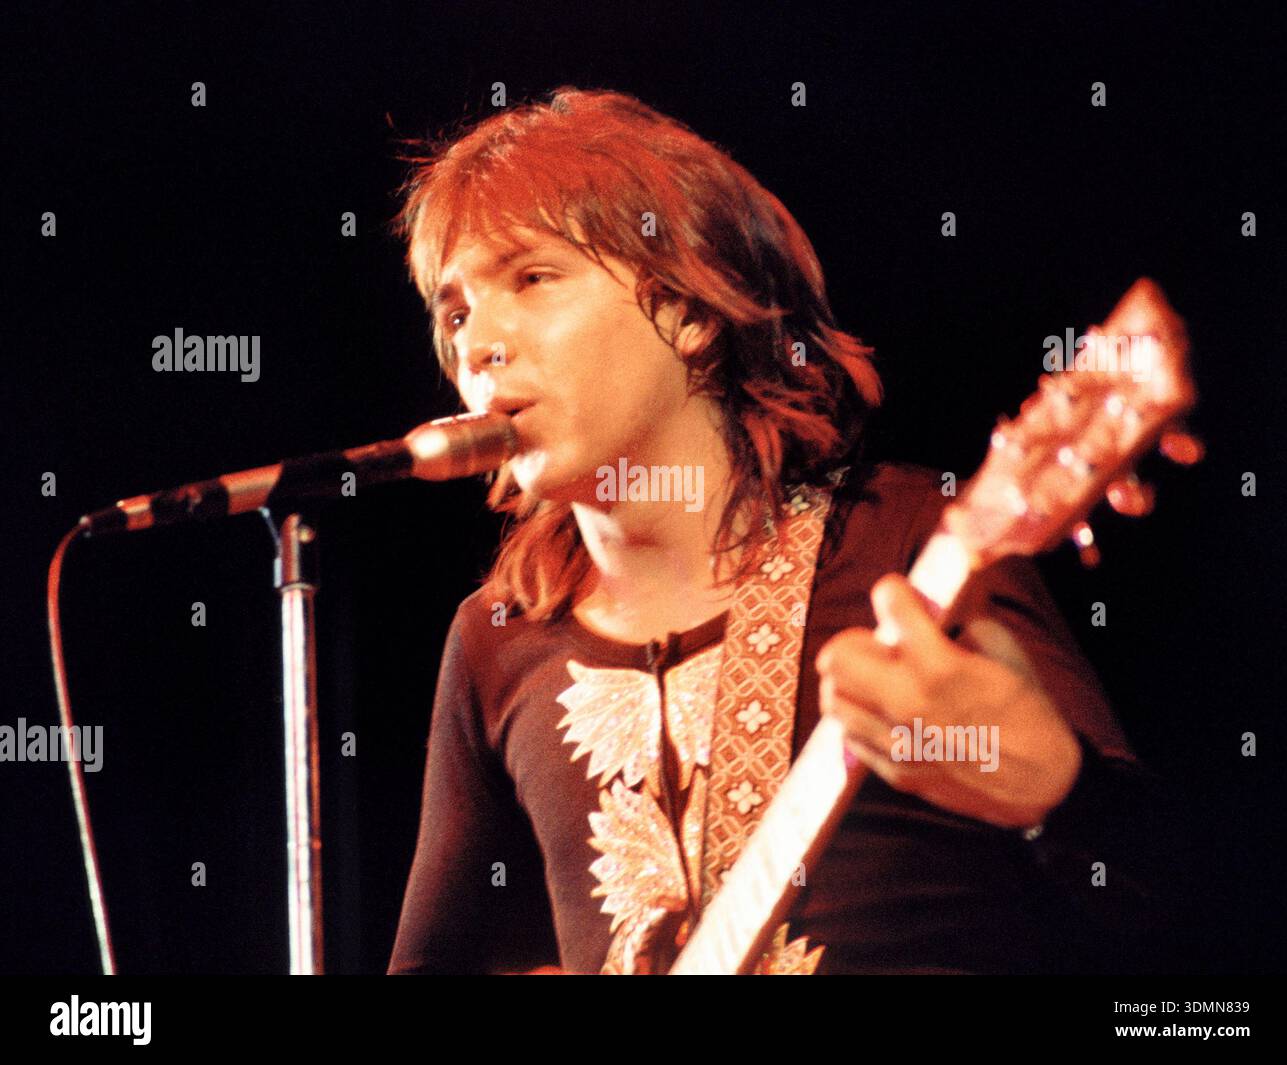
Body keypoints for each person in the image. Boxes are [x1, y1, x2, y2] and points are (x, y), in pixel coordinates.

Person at [385, 86, 1165, 975]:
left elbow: (1192, 923)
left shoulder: (907, 549)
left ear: (685, 311)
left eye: (530, 277)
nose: (478, 340)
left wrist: (1055, 790)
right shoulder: (495, 642)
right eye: (455, 313)